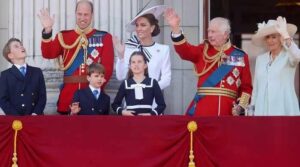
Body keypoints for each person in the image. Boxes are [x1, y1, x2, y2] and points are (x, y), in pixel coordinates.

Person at [164, 9, 252, 116]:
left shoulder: (240, 56)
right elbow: (185, 51)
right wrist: (175, 28)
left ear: (226, 34)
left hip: (228, 111)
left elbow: (246, 87)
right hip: (203, 110)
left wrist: (240, 107)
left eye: (213, 32)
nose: (209, 35)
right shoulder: (203, 50)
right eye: (209, 31)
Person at [37, 0, 114, 114]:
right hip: (68, 97)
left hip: (93, 98)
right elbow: (48, 53)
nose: (82, 17)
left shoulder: (104, 37)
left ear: (92, 15)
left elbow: (107, 69)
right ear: (75, 14)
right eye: (79, 14)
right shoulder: (64, 36)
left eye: (86, 14)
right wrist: (47, 31)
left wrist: (93, 90)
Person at [250, 16, 300, 116]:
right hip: (262, 111)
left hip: (284, 109)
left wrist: (286, 35)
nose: (270, 40)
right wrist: (252, 110)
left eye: (274, 37)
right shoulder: (261, 59)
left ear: (281, 38)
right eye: (267, 37)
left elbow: (298, 56)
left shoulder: (289, 56)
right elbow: (256, 88)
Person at [113, 5, 171, 91]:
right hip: (130, 100)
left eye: (143, 25)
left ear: (152, 28)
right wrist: (121, 56)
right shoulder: (129, 48)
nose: (139, 28)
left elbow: (166, 79)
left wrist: (149, 90)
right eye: (137, 25)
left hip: (152, 100)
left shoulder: (163, 50)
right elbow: (120, 77)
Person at [0, 38, 46, 115]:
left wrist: (35, 113)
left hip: (35, 118)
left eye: (21, 45)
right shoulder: (5, 75)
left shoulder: (37, 72)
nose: (21, 47)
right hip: (15, 121)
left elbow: (42, 96)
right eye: (16, 46)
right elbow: (3, 99)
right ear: (10, 55)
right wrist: (17, 117)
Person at [111, 51, 166, 116]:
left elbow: (162, 105)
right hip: (130, 122)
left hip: (148, 121)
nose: (136, 64)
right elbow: (115, 104)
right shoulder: (125, 83)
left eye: (139, 62)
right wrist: (123, 112)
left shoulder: (153, 82)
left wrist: (151, 114)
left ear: (145, 65)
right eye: (133, 62)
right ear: (130, 66)